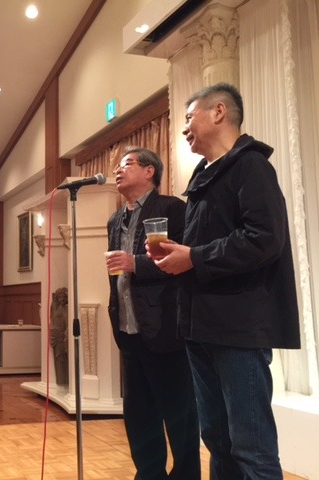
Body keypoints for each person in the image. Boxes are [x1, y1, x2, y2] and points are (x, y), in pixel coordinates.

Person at [153, 83, 301, 480]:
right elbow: (207, 245)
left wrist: (194, 257)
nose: (184, 128)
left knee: (251, 449)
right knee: (218, 440)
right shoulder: (203, 177)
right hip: (200, 326)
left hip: (238, 330)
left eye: (189, 117)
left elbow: (264, 239)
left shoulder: (251, 166)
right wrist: (178, 254)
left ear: (218, 112)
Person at [106, 147, 200, 479]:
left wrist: (136, 264)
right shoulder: (115, 219)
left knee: (180, 415)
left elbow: (183, 263)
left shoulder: (173, 209)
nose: (118, 170)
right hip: (129, 331)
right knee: (138, 415)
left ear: (149, 171)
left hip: (166, 329)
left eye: (127, 164)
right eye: (117, 166)